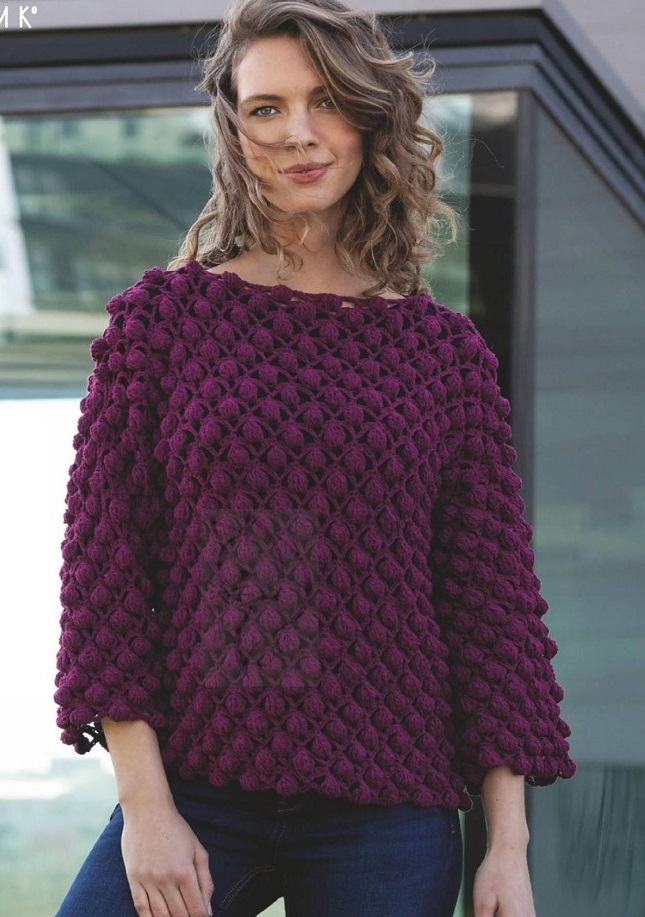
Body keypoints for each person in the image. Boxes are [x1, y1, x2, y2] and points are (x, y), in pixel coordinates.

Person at [53, 0, 576, 915]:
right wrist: (146, 807)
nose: (298, 133)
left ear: (370, 116)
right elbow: (107, 573)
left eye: (326, 100)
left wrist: (507, 846)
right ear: (234, 130)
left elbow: (489, 605)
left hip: (391, 806)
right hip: (200, 785)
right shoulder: (161, 323)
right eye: (267, 108)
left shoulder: (442, 354)